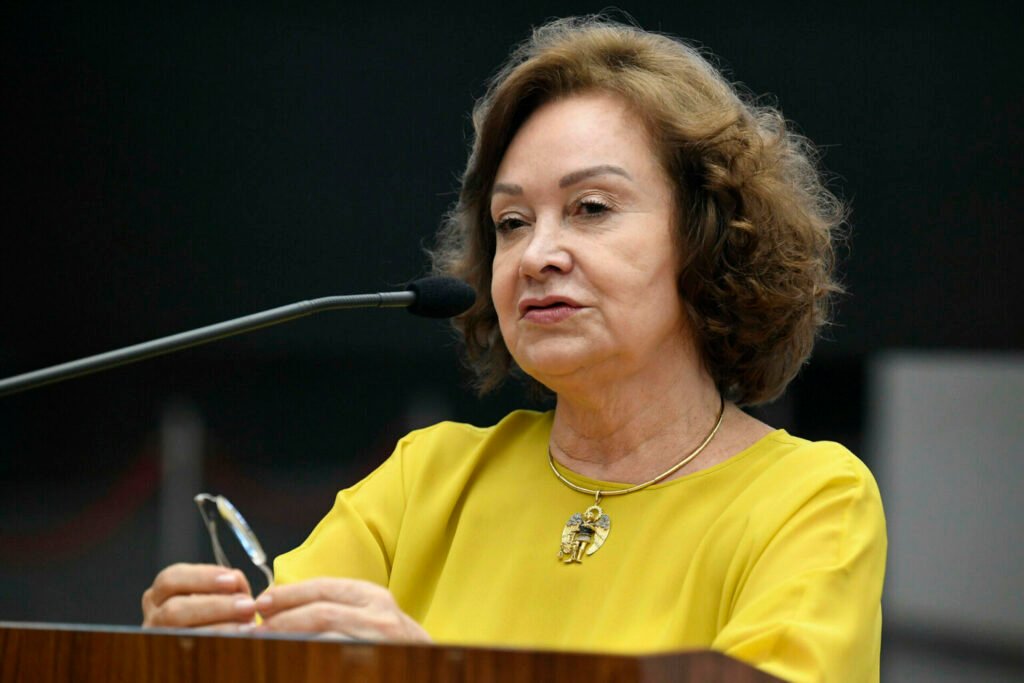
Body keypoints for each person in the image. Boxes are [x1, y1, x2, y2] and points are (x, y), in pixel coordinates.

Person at [142, 16, 886, 682]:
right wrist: (192, 656)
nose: (536, 255)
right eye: (511, 222)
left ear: (707, 235)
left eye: (590, 208)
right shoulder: (426, 482)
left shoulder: (808, 500)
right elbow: (277, 657)